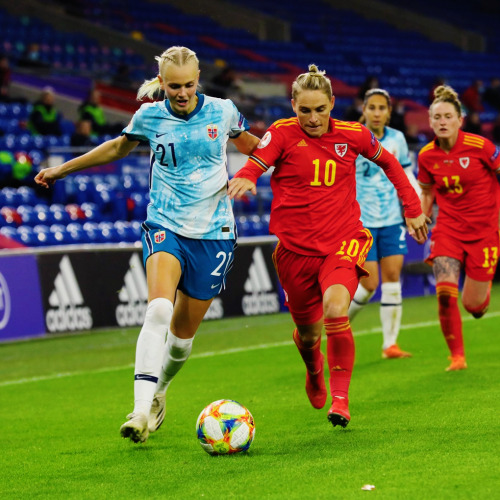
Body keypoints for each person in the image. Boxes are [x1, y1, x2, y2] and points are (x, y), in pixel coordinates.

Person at [35, 45, 260, 443]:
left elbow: (255, 149)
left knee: (181, 339)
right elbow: (117, 147)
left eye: (189, 85)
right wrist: (61, 170)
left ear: (198, 79)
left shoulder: (223, 111)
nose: (182, 93)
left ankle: (160, 391)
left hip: (214, 232)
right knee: (157, 309)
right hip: (165, 224)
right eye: (174, 86)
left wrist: (283, 161)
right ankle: (139, 411)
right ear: (162, 83)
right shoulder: (150, 115)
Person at [228, 65, 429, 428]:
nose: (313, 118)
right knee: (309, 335)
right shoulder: (283, 133)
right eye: (304, 110)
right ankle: (314, 370)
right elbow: (257, 162)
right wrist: (244, 177)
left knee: (336, 310)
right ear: (293, 105)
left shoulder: (354, 135)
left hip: (343, 241)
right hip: (295, 253)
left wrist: (412, 208)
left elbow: (392, 165)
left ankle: (341, 400)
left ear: (333, 103)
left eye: (320, 109)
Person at [418, 85, 500, 371]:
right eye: (437, 117)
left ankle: (481, 293)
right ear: (430, 122)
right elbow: (427, 192)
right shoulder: (426, 156)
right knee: (444, 293)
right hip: (448, 230)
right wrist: (421, 215)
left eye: (448, 116)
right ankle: (457, 357)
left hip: (484, 232)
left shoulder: (482, 148)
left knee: (474, 307)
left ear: (459, 120)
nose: (442, 122)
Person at [348, 89, 420, 359]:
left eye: (382, 108)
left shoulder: (397, 139)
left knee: (392, 280)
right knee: (368, 284)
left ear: (389, 112)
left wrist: (415, 206)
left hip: (391, 219)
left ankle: (390, 344)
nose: (377, 113)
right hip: (360, 222)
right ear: (363, 110)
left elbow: (406, 174)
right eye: (372, 107)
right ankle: (336, 328)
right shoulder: (352, 135)